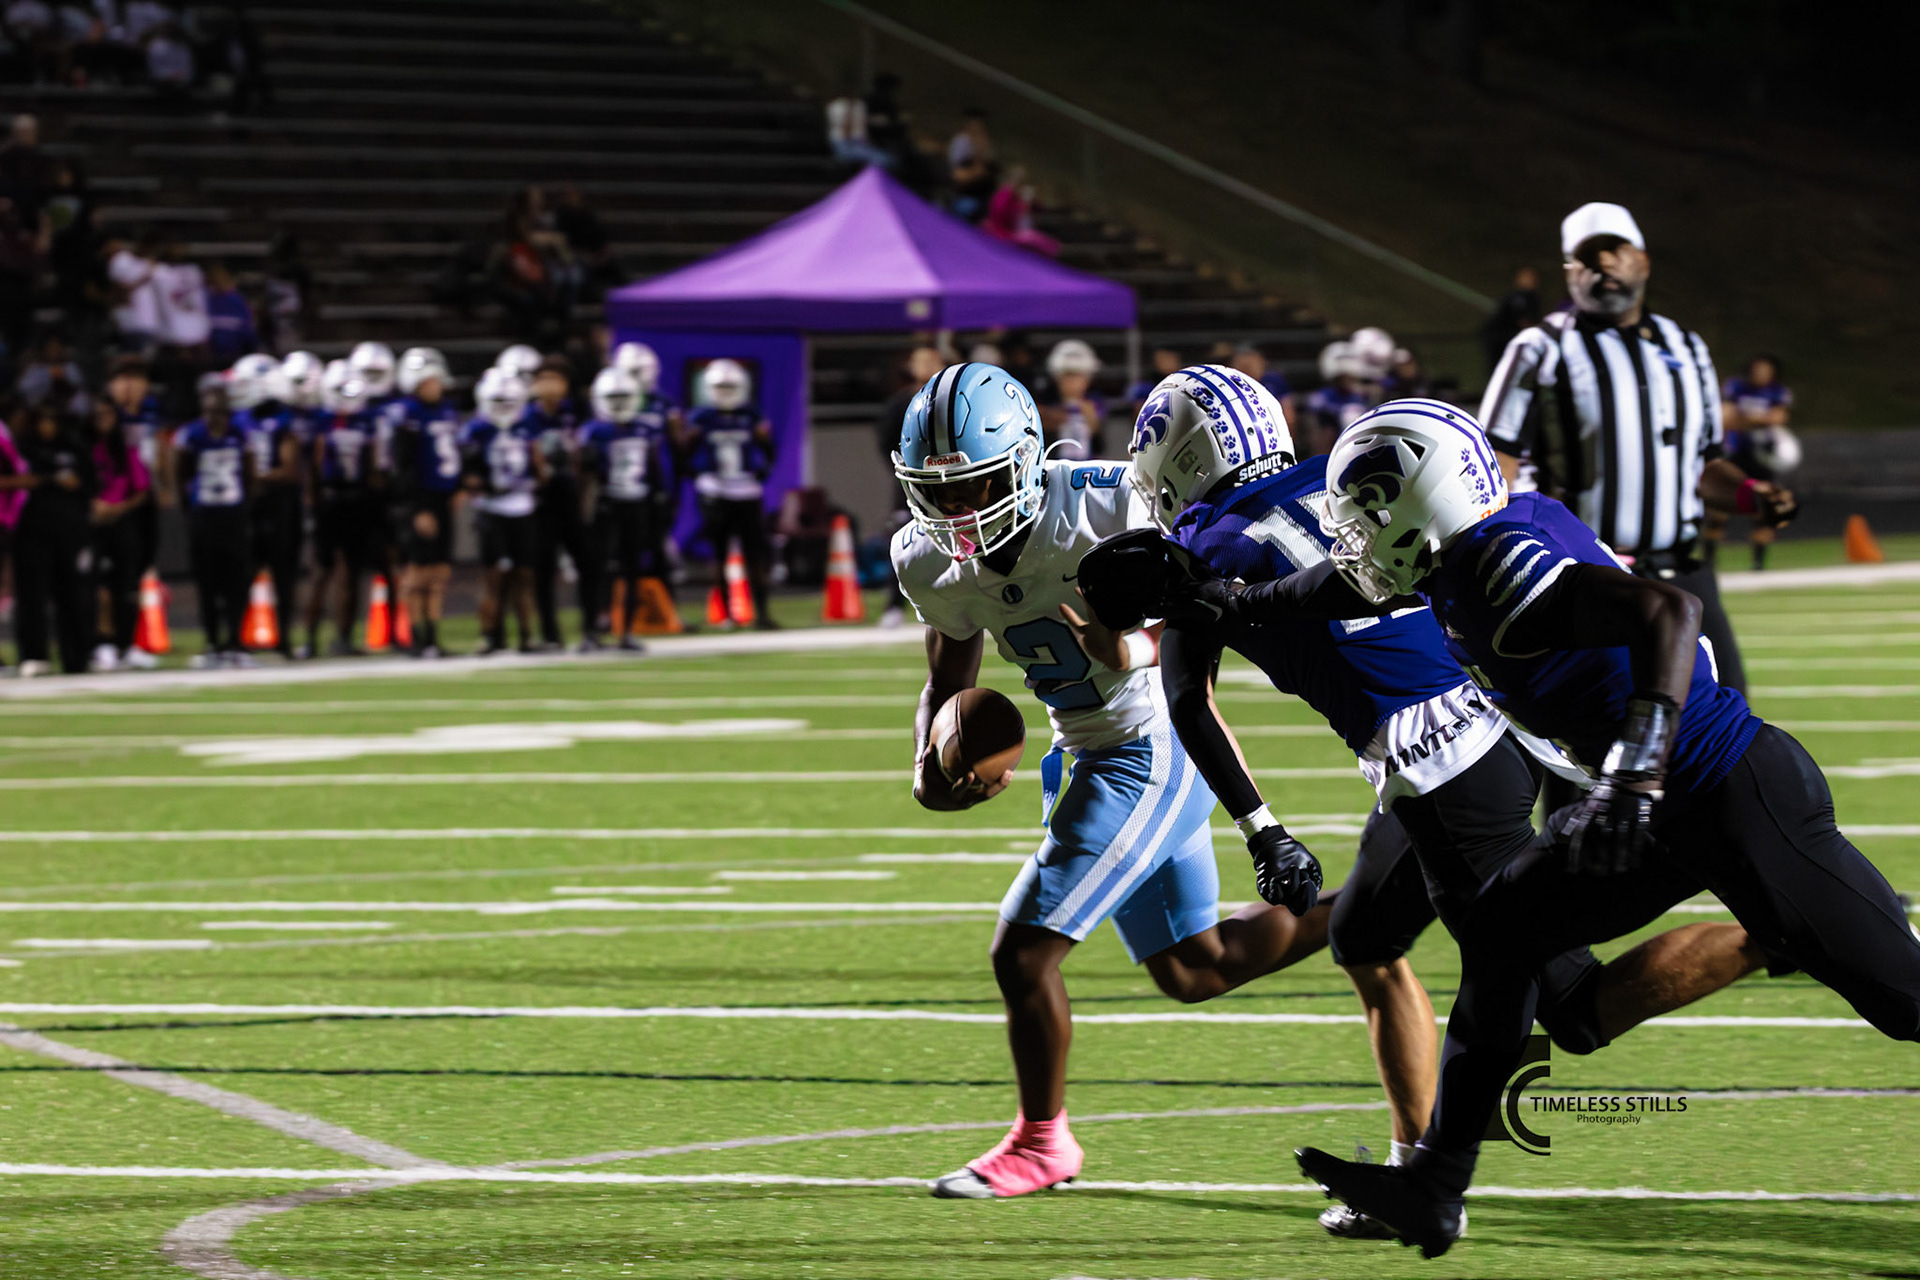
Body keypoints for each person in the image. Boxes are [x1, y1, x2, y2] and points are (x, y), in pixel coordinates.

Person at [1198, 399, 1920, 1255]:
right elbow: (1328, 586)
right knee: (1502, 934)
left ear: (1423, 502)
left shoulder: (1496, 565)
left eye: (1367, 516)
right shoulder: (1462, 551)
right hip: (1651, 806)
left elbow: (1668, 612)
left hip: (1732, 794)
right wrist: (1230, 601)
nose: (1351, 536)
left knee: (1905, 1004)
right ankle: (1433, 1185)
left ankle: (1436, 1181)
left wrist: (1634, 773)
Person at [1092, 371, 1765, 1241]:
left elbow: (1188, 697)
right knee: (1364, 935)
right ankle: (1414, 1169)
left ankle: (1778, 933)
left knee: (1571, 1004)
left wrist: (1263, 829)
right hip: (1490, 714)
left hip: (1441, 760)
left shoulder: (1210, 546)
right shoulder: (1339, 473)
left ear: (1179, 459)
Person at [890, 362, 1335, 1200]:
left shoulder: (1106, 505)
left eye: (973, 486)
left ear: (1024, 463)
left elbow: (1200, 615)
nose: (957, 513)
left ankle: (1041, 1144)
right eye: (936, 493)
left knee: (1023, 950)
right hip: (1088, 751)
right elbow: (947, 678)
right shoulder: (925, 557)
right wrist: (929, 763)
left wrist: (1124, 647)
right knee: (1196, 968)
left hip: (1152, 743)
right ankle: (1378, 907)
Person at [1479, 202, 1796, 696]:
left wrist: (1750, 495)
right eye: (1588, 257)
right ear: (1569, 272)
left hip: (1681, 574)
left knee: (1728, 722)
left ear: (1643, 262)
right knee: (1598, 728)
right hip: (1585, 578)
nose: (1604, 265)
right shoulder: (1539, 347)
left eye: (1615, 251)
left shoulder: (1687, 347)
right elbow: (1493, 462)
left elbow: (1703, 464)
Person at [580, 366, 672, 651]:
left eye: (624, 398)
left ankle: (626, 630)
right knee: (597, 567)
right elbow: (583, 474)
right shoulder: (594, 431)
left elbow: (654, 467)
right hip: (606, 502)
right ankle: (592, 630)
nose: (619, 404)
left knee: (632, 567)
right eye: (613, 398)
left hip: (636, 502)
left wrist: (659, 496)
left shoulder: (644, 428)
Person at [684, 358, 774, 630]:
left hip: (745, 489)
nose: (725, 393)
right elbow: (685, 453)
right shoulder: (702, 417)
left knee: (754, 554)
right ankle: (725, 614)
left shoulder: (750, 415)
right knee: (720, 553)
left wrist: (762, 470)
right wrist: (699, 475)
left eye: (730, 387)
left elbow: (769, 448)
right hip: (716, 490)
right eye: (720, 387)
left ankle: (762, 614)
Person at [172, 378, 254, 667]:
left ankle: (235, 641)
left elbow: (249, 474)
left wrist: (245, 509)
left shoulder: (239, 433)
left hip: (233, 516)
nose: (214, 404)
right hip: (204, 516)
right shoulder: (191, 434)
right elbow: (179, 473)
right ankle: (211, 643)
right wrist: (189, 510)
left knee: (236, 583)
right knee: (208, 583)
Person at [8, 403, 95, 675]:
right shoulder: (22, 449)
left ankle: (76, 657)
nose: (47, 426)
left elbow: (90, 485)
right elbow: (15, 480)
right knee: (31, 595)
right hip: (30, 532)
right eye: (42, 420)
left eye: (52, 420)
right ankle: (34, 655)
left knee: (73, 595)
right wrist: (46, 479)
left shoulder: (74, 449)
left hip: (70, 531)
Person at [461, 366, 542, 655]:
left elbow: (539, 467)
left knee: (524, 575)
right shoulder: (477, 429)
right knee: (492, 577)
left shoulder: (527, 425)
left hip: (522, 505)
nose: (504, 407)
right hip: (491, 507)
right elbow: (466, 474)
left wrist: (542, 470)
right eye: (498, 401)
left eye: (509, 401)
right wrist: (474, 481)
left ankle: (526, 635)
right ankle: (489, 635)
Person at [301, 360, 378, 658]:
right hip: (329, 500)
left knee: (352, 573)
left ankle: (344, 637)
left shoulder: (365, 420)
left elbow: (371, 463)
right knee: (322, 572)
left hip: (356, 499)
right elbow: (313, 464)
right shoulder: (320, 420)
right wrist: (313, 499)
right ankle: (309, 638)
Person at [390, 347, 462, 658]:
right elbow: (403, 465)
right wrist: (417, 508)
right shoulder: (407, 414)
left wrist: (458, 488)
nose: (435, 386)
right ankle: (415, 636)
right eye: (429, 381)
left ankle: (432, 638)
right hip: (420, 498)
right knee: (418, 572)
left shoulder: (446, 410)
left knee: (440, 572)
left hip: (443, 497)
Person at [229, 352, 299, 658]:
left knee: (283, 574)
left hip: (278, 504)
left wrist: (255, 478)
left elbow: (290, 468)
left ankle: (283, 640)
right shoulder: (238, 418)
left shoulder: (282, 418)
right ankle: (235, 639)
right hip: (248, 503)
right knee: (242, 572)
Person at [524, 354, 591, 649]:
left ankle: (591, 629)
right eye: (544, 378)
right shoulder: (526, 415)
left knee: (587, 562)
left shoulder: (576, 411)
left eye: (555, 378)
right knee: (543, 566)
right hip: (539, 499)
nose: (549, 385)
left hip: (570, 496)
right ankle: (550, 633)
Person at [1716, 354, 1799, 571]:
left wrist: (1744, 418)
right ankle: (1709, 562)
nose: (1760, 373)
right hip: (1734, 455)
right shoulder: (1735, 387)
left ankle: (1758, 563)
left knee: (1766, 509)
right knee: (1718, 509)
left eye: (1765, 369)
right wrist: (1760, 418)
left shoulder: (1777, 392)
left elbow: (1778, 418)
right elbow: (1725, 417)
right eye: (1757, 369)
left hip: (1762, 458)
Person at [85, 398, 150, 671]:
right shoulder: (85, 448)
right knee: (96, 588)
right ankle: (101, 643)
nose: (104, 419)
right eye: (98, 414)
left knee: (126, 587)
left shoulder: (124, 449)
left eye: (108, 414)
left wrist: (118, 508)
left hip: (121, 524)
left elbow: (142, 489)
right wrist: (93, 505)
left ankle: (126, 644)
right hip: (91, 525)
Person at [1036, 339, 1102, 460]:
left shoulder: (1094, 401)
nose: (1072, 383)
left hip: (1086, 462)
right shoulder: (1048, 400)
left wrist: (1087, 415)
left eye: (1077, 377)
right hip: (1054, 460)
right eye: (1068, 377)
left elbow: (1096, 431)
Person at [1480, 265, 1541, 374]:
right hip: (1498, 339)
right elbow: (1523, 321)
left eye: (1532, 277)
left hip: (1512, 339)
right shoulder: (1516, 297)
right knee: (1499, 370)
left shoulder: (1532, 298)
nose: (1530, 280)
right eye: (1526, 277)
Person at [203, 261, 257, 364]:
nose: (219, 283)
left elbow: (247, 327)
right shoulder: (206, 299)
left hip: (236, 350)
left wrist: (251, 345)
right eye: (214, 280)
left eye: (221, 279)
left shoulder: (236, 299)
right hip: (211, 353)